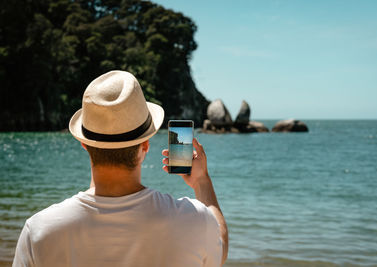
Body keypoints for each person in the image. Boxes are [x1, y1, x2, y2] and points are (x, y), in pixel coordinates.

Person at [12, 70, 228, 267]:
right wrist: (201, 181)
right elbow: (219, 249)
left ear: (84, 144)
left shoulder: (39, 231)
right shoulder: (195, 221)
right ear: (145, 145)